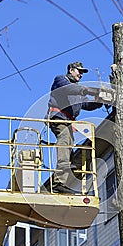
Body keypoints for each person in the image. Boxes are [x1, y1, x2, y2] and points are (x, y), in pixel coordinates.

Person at [47, 61, 103, 194]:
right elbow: (69, 89)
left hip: (68, 122)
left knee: (69, 146)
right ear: (71, 70)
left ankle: (62, 180)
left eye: (82, 72)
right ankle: (58, 182)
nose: (81, 75)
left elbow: (87, 105)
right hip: (58, 118)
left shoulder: (77, 91)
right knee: (65, 142)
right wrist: (88, 90)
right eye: (79, 71)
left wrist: (100, 100)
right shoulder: (61, 80)